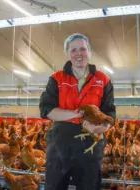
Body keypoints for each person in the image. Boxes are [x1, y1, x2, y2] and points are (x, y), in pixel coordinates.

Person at [39, 33, 116, 190]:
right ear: (68, 54)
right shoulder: (56, 79)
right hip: (60, 143)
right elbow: (46, 109)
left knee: (89, 186)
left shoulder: (103, 80)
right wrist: (76, 113)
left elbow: (110, 112)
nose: (78, 53)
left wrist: (102, 128)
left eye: (83, 49)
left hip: (90, 143)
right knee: (55, 186)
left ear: (89, 52)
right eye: (73, 50)